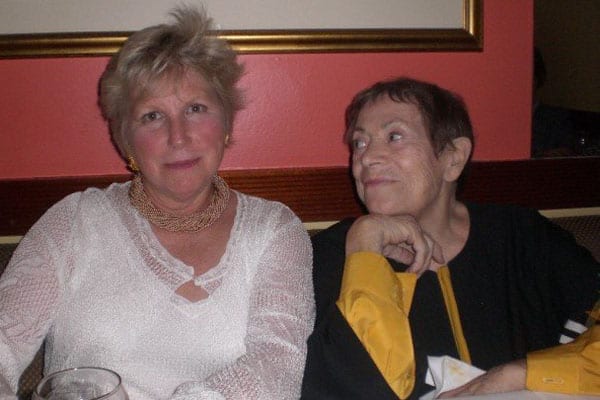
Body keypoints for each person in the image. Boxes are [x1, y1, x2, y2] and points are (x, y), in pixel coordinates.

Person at [0, 6, 314, 400]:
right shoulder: (75, 222)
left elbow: (276, 368)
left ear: (226, 123)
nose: (178, 136)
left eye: (195, 109)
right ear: (125, 139)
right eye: (152, 116)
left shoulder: (274, 230)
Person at [301, 77, 599, 399]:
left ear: (453, 158)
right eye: (359, 143)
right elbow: (358, 388)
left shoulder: (522, 237)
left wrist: (521, 374)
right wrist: (365, 250)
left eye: (395, 136)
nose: (367, 157)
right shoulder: (331, 255)